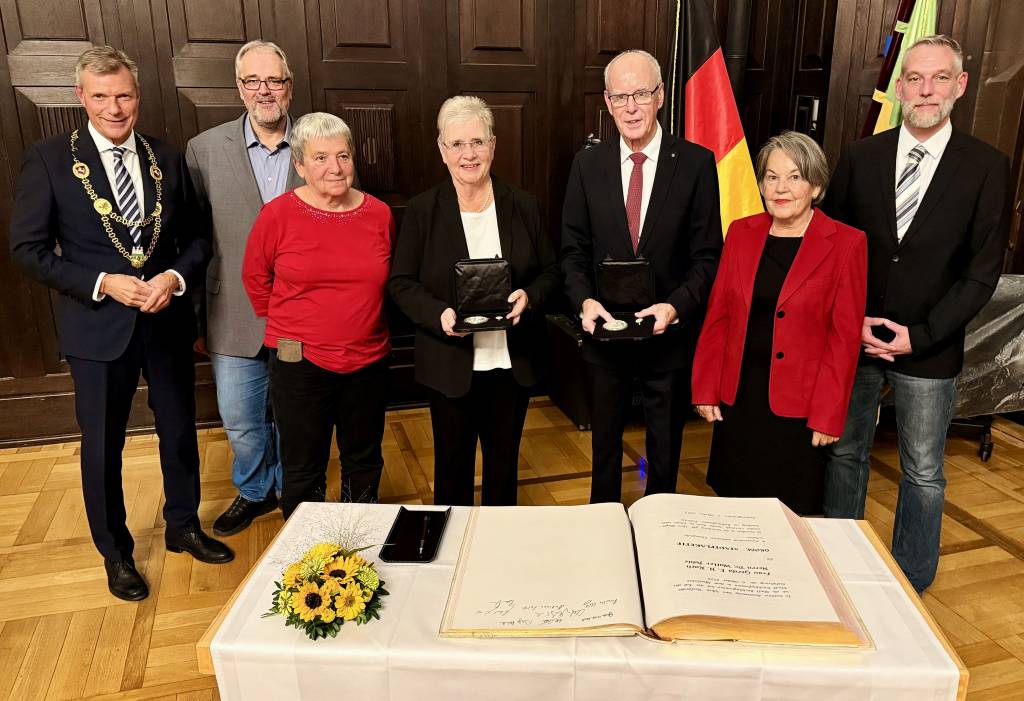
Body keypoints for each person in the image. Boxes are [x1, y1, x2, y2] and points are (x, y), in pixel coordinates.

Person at [9, 46, 232, 602]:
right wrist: (102, 283)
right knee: (103, 444)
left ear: (138, 95)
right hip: (96, 327)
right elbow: (27, 250)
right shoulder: (50, 159)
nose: (114, 108)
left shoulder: (166, 155)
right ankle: (116, 553)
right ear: (81, 98)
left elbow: (199, 239)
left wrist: (174, 280)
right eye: (102, 96)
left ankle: (183, 526)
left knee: (179, 431)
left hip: (165, 321)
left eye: (124, 95)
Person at [821, 35, 1011, 592]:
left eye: (938, 78)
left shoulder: (986, 167)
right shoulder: (861, 157)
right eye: (915, 79)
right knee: (844, 454)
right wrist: (848, 319)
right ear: (899, 87)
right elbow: (832, 248)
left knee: (923, 472)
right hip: (855, 339)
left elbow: (982, 271)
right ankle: (839, 566)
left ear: (960, 85)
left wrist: (922, 334)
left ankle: (910, 581)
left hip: (930, 347)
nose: (925, 90)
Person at [561, 49, 722, 503]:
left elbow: (709, 257)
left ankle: (662, 537)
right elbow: (571, 253)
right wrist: (583, 302)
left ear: (661, 97)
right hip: (604, 335)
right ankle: (604, 534)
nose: (631, 107)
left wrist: (676, 306)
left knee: (666, 454)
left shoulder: (694, 164)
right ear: (608, 103)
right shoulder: (586, 165)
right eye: (620, 96)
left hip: (667, 338)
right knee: (604, 452)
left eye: (641, 94)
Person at [388, 96, 560, 506]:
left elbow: (553, 272)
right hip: (450, 365)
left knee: (503, 471)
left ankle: (496, 559)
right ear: (442, 151)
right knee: (452, 472)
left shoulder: (524, 205)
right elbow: (401, 283)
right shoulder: (422, 211)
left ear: (494, 146)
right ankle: (455, 559)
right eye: (458, 144)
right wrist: (439, 313)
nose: (469, 154)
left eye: (478, 142)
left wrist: (529, 297)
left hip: (510, 364)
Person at [691, 132, 867, 515]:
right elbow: (718, 315)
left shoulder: (846, 244)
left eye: (794, 177)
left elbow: (845, 339)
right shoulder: (741, 232)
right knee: (734, 507)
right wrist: (705, 388)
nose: (781, 188)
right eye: (771, 177)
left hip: (798, 410)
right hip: (740, 400)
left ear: (816, 185)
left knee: (789, 514)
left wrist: (828, 414)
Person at [242, 112, 394, 519]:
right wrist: (292, 324)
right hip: (300, 363)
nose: (335, 168)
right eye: (321, 157)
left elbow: (392, 276)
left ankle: (359, 535)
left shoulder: (379, 214)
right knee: (303, 464)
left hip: (368, 359)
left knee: (363, 459)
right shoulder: (277, 214)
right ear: (300, 165)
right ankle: (306, 552)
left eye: (343, 156)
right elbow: (255, 278)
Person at [185, 40, 301, 536]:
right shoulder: (204, 149)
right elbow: (190, 240)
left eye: (273, 80)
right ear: (239, 88)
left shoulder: (318, 143)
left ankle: (295, 492)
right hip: (229, 309)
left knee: (295, 412)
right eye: (252, 81)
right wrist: (194, 319)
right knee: (241, 419)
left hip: (300, 313)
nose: (264, 90)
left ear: (289, 87)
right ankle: (255, 491)